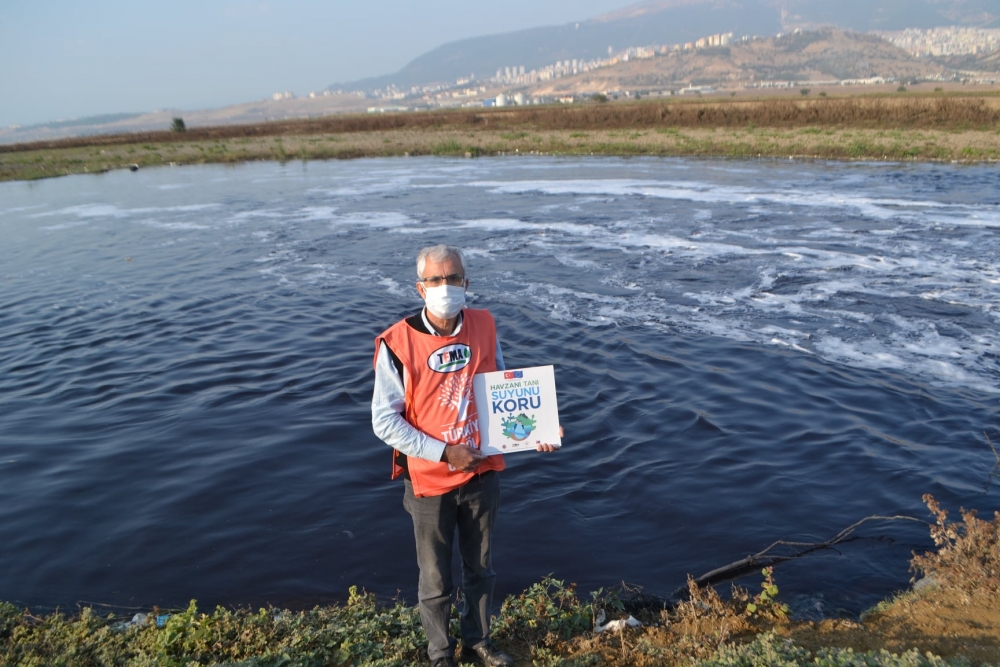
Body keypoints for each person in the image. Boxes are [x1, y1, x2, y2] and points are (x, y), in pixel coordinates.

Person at [372, 244, 558, 667]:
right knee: (435, 579)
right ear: (420, 288)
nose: (445, 286)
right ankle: (441, 654)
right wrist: (444, 452)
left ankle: (478, 641)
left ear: (466, 283)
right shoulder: (397, 343)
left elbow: (503, 387)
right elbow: (384, 422)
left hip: (481, 474)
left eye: (453, 278)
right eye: (435, 279)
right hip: (430, 481)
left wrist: (538, 428)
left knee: (481, 569)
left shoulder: (484, 324)